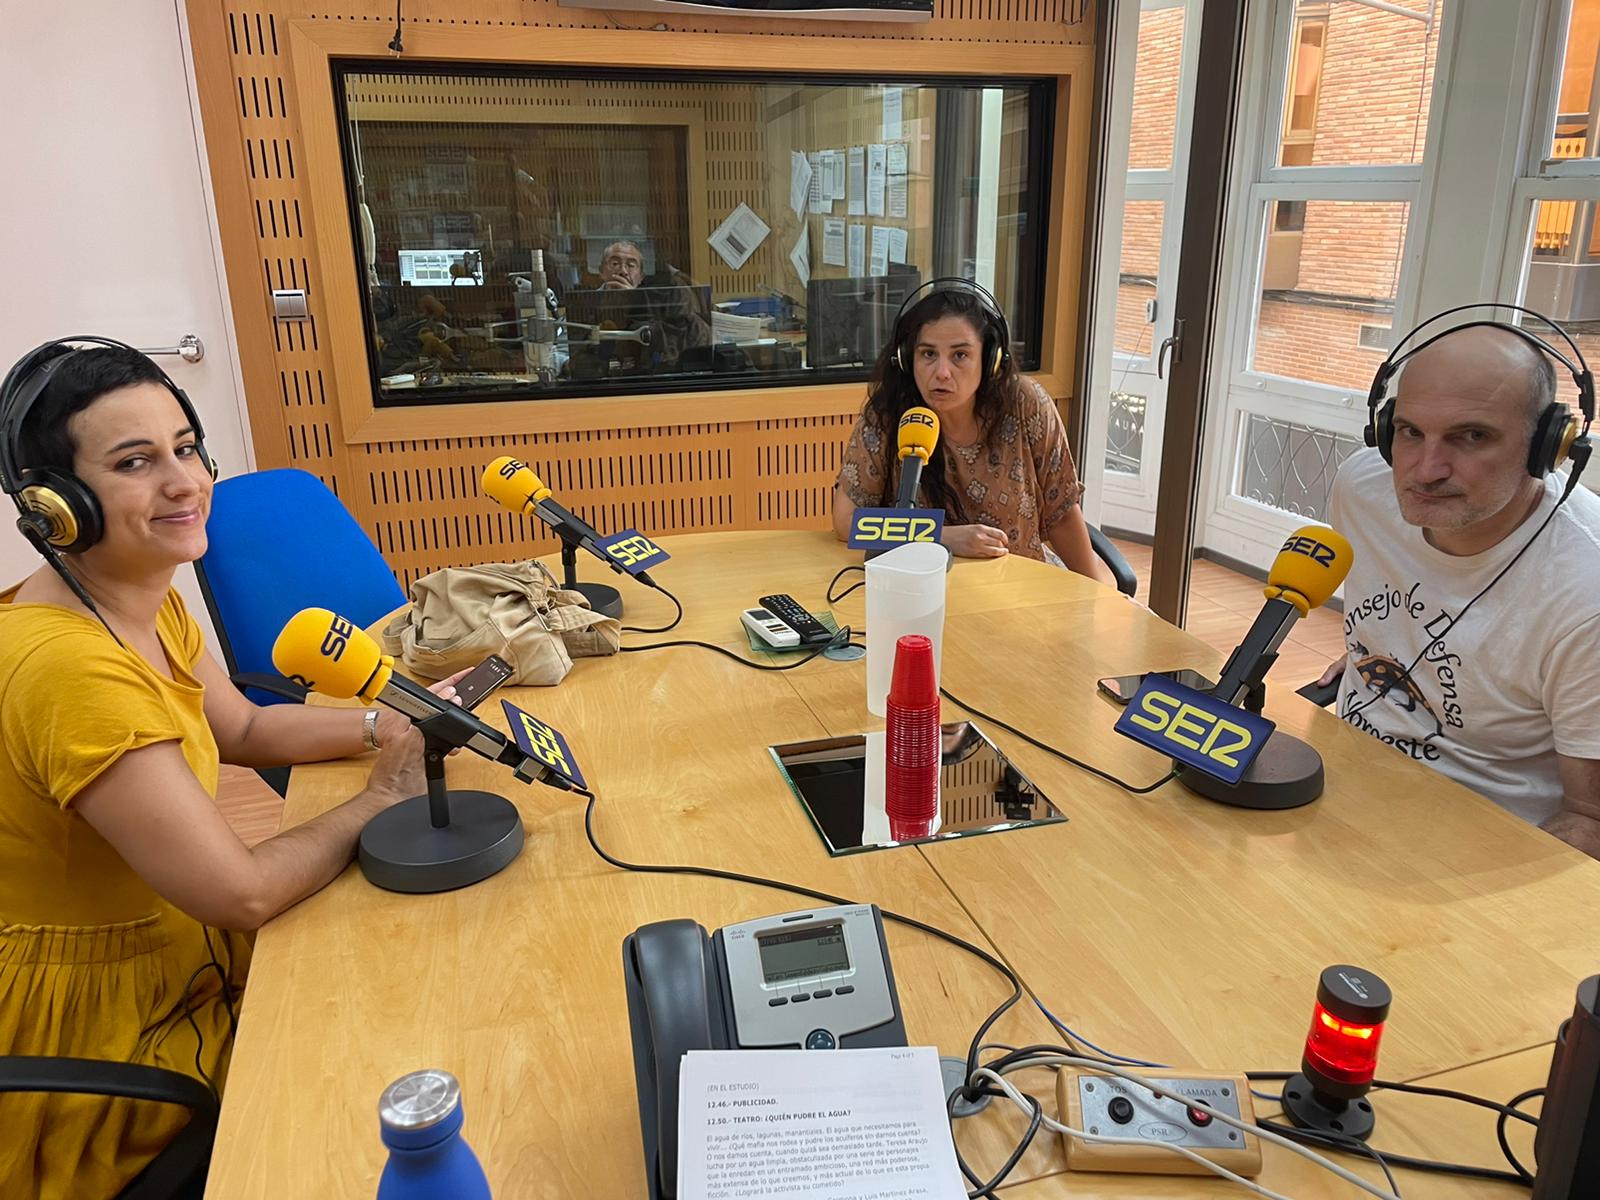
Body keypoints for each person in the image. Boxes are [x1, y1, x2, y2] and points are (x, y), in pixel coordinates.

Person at [0, 342, 461, 1197]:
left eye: (185, 447)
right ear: (54, 507)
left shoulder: (144, 598)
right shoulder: (69, 667)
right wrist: (380, 797)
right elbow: (241, 892)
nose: (183, 481)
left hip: (181, 951)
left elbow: (242, 723)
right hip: (102, 1044)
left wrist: (389, 723)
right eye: (136, 462)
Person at [1316, 322, 1600, 857]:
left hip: (1479, 844)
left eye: (1472, 436)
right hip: (1341, 783)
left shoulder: (1586, 591)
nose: (1425, 470)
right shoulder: (1363, 488)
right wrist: (1373, 655)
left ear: (1547, 447)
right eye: (1409, 432)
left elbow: (1590, 818)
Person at [831, 284, 1111, 582]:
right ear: (906, 359)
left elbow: (1062, 515)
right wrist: (943, 537)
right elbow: (847, 520)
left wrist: (1098, 601)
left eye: (960, 355)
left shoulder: (1026, 404)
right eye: (927, 353)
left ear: (989, 361)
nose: (941, 372)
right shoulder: (888, 415)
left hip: (1022, 590)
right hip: (923, 587)